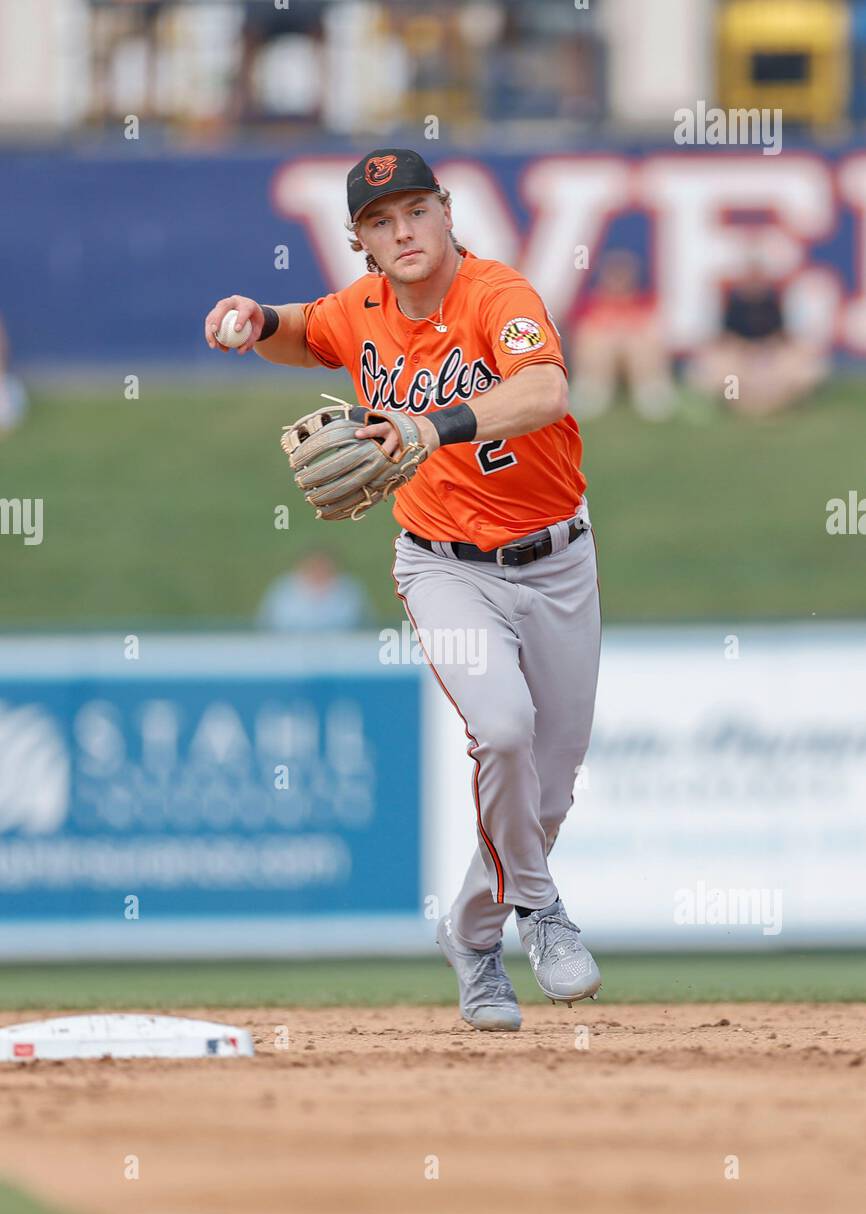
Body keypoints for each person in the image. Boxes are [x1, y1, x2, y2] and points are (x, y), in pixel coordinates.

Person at [204, 148, 602, 1032]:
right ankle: (541, 914)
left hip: (560, 558)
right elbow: (300, 330)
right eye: (381, 222)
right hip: (443, 565)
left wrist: (432, 423)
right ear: (361, 243)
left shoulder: (499, 296)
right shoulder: (363, 309)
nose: (403, 231)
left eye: (416, 210)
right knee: (502, 730)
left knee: (550, 787)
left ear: (447, 212)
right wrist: (251, 314)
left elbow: (544, 389)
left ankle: (470, 936)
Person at [689, 260, 827, 416]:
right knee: (722, 369)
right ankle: (732, 404)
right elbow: (724, 338)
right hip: (739, 357)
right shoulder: (733, 305)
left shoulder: (774, 303)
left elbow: (784, 336)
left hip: (771, 357)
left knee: (802, 364)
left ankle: (787, 402)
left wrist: (767, 348)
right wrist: (744, 349)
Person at [570, 249, 677, 420]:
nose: (618, 281)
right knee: (595, 339)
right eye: (614, 275)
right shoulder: (591, 304)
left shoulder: (644, 302)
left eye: (623, 275)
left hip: (635, 358)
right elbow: (581, 334)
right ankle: (592, 389)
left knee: (642, 340)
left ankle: (651, 390)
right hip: (602, 358)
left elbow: (655, 332)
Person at [257, 550, 370, 632]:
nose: (319, 571)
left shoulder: (349, 590)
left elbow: (364, 624)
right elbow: (267, 624)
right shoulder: (283, 589)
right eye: (314, 567)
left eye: (323, 567)